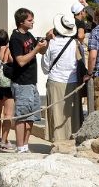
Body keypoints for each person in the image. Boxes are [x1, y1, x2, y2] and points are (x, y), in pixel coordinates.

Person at [9, 8, 48, 153]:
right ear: (21, 21)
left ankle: (25, 145)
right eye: (30, 20)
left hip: (32, 81)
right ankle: (19, 146)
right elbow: (20, 61)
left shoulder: (29, 35)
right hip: (21, 82)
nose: (33, 22)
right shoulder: (15, 38)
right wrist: (36, 49)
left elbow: (41, 51)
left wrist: (46, 42)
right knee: (22, 116)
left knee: (32, 116)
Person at [42, 13, 81, 142]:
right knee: (71, 115)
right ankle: (71, 140)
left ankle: (57, 141)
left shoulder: (52, 43)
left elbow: (45, 67)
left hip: (55, 81)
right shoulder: (75, 44)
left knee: (56, 114)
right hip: (73, 82)